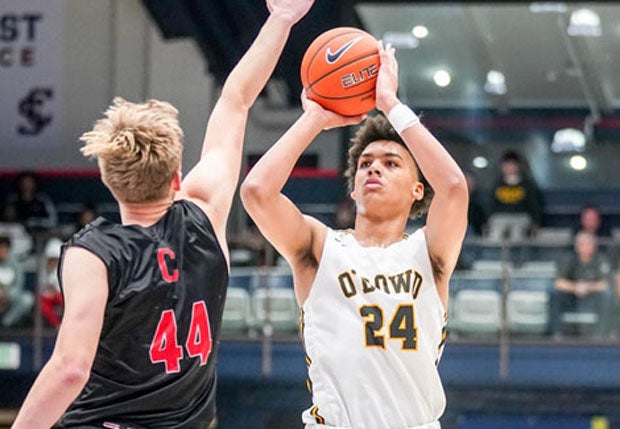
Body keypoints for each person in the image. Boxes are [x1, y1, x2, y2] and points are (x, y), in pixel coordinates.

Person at [12, 1, 315, 427]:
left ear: (107, 179)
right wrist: (282, 19)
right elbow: (237, 100)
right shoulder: (205, 214)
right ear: (176, 176)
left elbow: (70, 368)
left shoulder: (92, 253)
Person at [241, 41, 468, 428]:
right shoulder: (319, 246)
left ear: (418, 189)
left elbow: (453, 186)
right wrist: (313, 117)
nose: (373, 169)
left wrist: (391, 105)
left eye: (391, 163)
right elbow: (256, 192)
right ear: (353, 187)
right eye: (365, 164)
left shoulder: (428, 251)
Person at [550, 231, 612, 338]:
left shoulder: (600, 259)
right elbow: (558, 282)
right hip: (571, 297)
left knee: (607, 294)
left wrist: (587, 287)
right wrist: (575, 287)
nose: (586, 247)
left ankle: (600, 335)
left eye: (589, 244)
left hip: (593, 297)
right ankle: (556, 333)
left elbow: (606, 284)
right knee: (554, 292)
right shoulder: (569, 259)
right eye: (582, 244)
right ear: (577, 247)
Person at [487, 150, 543, 241]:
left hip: (521, 216)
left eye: (512, 165)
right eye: (506, 165)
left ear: (518, 166)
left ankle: (516, 254)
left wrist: (536, 222)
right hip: (500, 216)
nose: (509, 167)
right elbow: (491, 204)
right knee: (495, 234)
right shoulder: (496, 184)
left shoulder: (527, 184)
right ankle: (492, 255)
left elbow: (534, 204)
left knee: (517, 234)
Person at [0, 235, 33, 328]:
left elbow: (19, 284)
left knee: (27, 300)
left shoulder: (15, 263)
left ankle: (6, 323)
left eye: (4, 248)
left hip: (11, 298)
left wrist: (7, 295)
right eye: (0, 248)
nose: (2, 251)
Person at [39, 237, 64, 329]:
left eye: (55, 259)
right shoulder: (43, 270)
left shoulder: (65, 268)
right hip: (48, 296)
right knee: (41, 303)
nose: (53, 262)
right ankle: (57, 324)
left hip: (61, 296)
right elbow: (42, 289)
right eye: (51, 259)